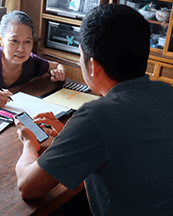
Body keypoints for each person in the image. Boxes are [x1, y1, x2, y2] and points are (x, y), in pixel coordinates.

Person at [14, 4, 173, 216]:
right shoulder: (166, 91)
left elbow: (27, 186)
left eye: (80, 56)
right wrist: (70, 136)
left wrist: (29, 144)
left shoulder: (96, 117)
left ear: (92, 65)